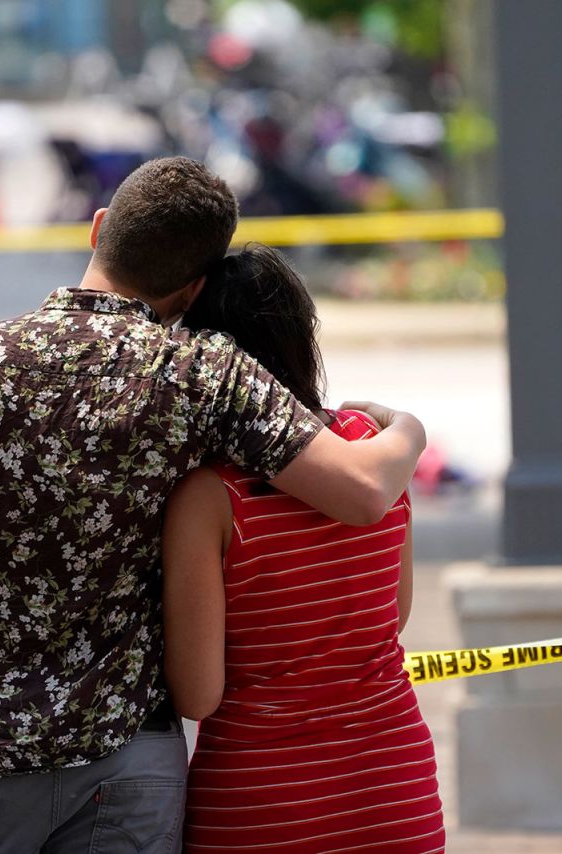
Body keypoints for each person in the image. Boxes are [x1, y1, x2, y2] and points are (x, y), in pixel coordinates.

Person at [0, 156, 426, 853]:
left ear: (99, 228)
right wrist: (409, 429)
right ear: (193, 287)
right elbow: (364, 490)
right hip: (128, 763)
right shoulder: (200, 373)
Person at [164, 244, 445, 852]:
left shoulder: (208, 495)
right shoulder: (371, 450)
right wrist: (403, 423)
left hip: (260, 803)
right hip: (394, 788)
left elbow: (197, 693)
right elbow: (391, 619)